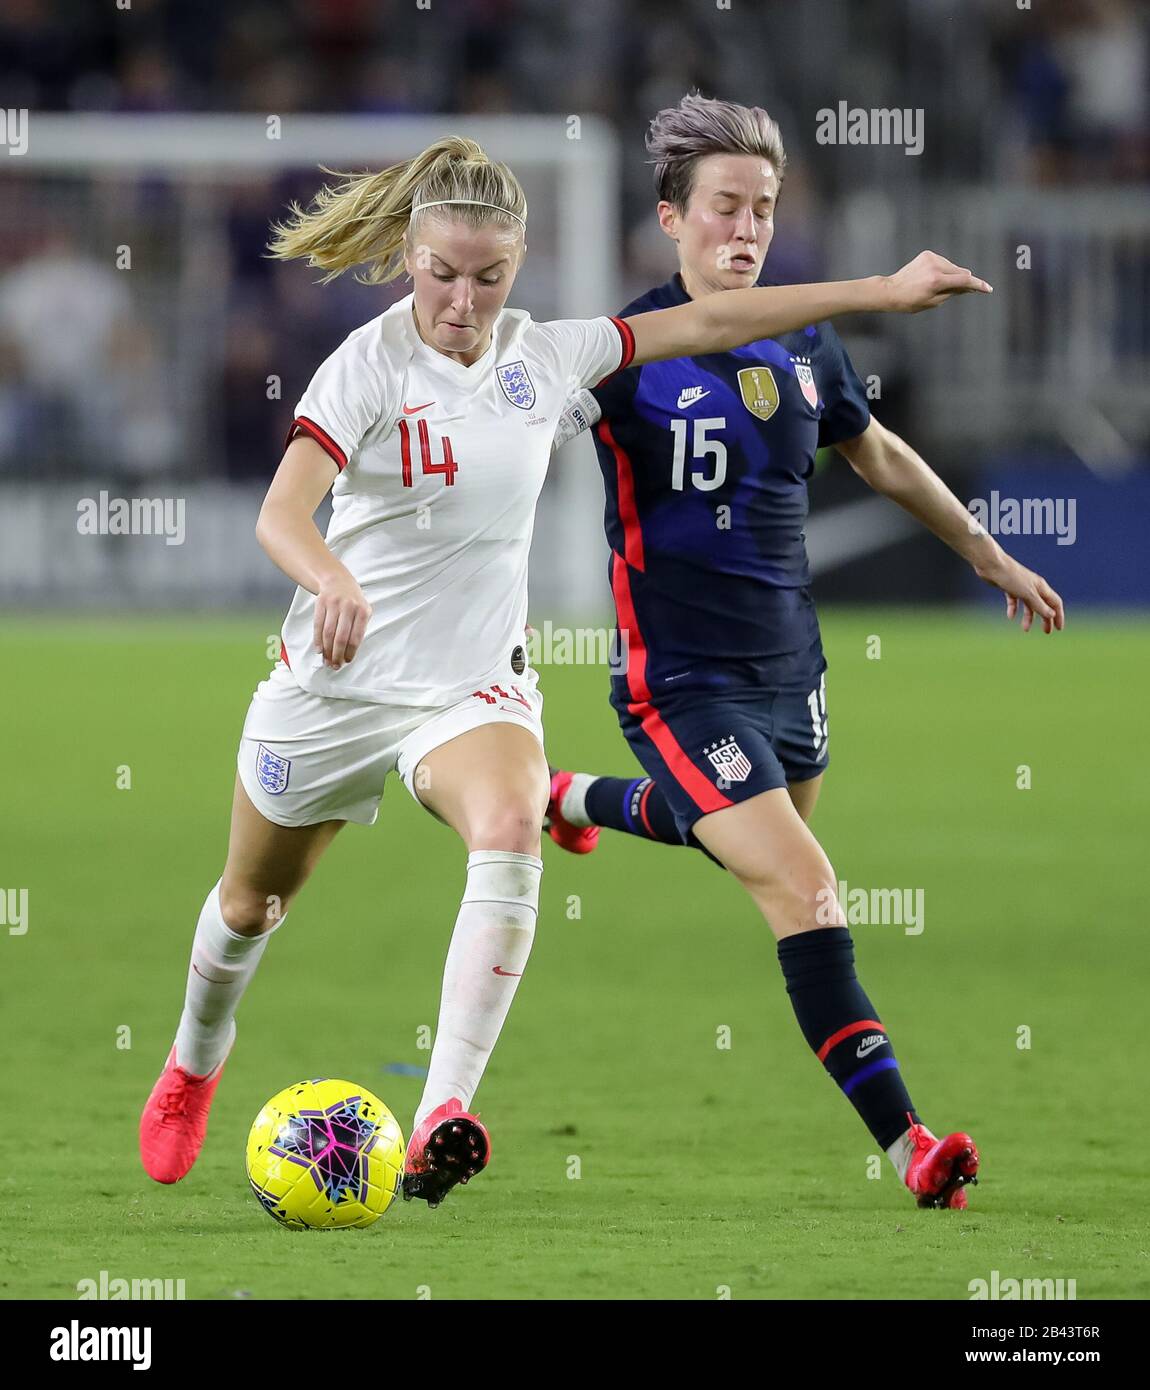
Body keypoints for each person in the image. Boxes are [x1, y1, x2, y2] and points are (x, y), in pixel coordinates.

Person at [137, 133, 991, 1210]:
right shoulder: (366, 364)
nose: (462, 301)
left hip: (471, 687)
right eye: (442, 274)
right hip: (335, 682)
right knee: (252, 904)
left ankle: (445, 1110)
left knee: (504, 831)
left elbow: (717, 321)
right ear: (411, 257)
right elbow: (280, 512)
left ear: (519, 264)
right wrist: (331, 580)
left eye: (488, 277)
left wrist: (882, 290)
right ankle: (190, 1067)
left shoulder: (547, 357)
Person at [544, 94, 1061, 1209]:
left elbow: (874, 455)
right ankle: (910, 1144)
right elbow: (513, 456)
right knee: (808, 889)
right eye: (724, 207)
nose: (746, 229)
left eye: (764, 210)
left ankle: (574, 799)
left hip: (794, 674)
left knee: (742, 841)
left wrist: (984, 551)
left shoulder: (807, 339)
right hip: (678, 680)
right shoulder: (620, 351)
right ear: (670, 217)